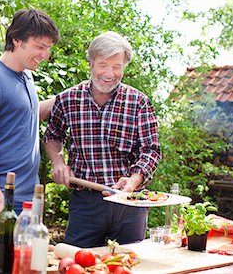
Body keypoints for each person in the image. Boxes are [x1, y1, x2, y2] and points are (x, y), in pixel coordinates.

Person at [43, 31, 161, 247]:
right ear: (90, 64)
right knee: (75, 264)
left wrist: (134, 180)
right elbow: (52, 135)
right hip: (86, 205)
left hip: (130, 203)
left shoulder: (139, 102)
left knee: (132, 265)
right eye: (103, 65)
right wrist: (58, 161)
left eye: (117, 67)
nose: (109, 73)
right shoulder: (68, 99)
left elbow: (151, 150)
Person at [0, 9, 59, 221]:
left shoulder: (26, 76)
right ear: (16, 40)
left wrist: (71, 95)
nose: (45, 55)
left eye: (48, 48)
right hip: (0, 200)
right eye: (40, 47)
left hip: (27, 198)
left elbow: (27, 116)